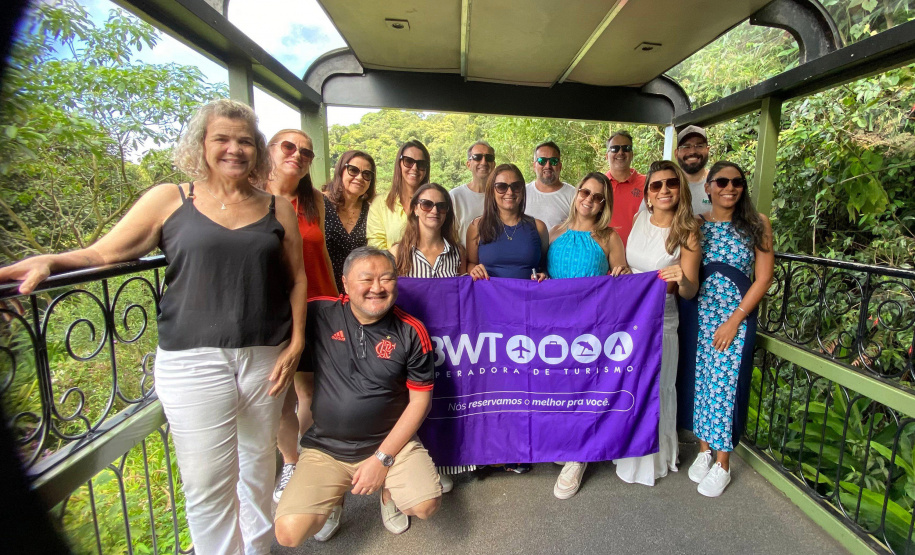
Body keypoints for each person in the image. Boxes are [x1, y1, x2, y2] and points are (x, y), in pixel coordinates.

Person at [0, 99, 307, 555]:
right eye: (221, 138)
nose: (234, 149)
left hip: (265, 356)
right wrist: (51, 260)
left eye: (244, 141)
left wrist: (297, 340)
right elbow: (103, 254)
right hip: (192, 360)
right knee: (207, 485)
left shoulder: (277, 208)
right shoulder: (171, 199)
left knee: (258, 468)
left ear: (256, 150)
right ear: (201, 144)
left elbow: (297, 277)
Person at [273, 247, 441, 546]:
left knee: (424, 505)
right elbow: (271, 308)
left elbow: (420, 403)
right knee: (288, 534)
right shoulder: (319, 313)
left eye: (387, 279)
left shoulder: (411, 331)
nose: (377, 288)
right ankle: (334, 497)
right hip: (326, 448)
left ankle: (388, 492)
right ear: (345, 284)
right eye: (367, 279)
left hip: (391, 446)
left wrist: (382, 459)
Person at [679, 161, 774, 498]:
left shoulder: (757, 224)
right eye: (721, 182)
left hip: (735, 317)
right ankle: (704, 451)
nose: (729, 188)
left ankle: (723, 464)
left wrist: (736, 320)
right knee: (702, 380)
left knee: (725, 386)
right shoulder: (697, 225)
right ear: (708, 187)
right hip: (701, 313)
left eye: (736, 182)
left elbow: (763, 277)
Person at [615, 160, 701, 487]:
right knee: (631, 383)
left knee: (656, 386)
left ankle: (653, 458)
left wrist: (683, 279)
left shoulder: (688, 230)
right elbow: (629, 265)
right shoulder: (639, 219)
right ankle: (626, 448)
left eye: (671, 183)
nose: (664, 190)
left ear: (680, 189)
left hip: (662, 316)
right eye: (656, 185)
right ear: (648, 194)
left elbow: (691, 291)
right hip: (629, 316)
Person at [263, 129, 338, 505]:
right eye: (289, 147)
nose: (298, 155)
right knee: (278, 393)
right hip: (271, 308)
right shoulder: (255, 196)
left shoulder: (315, 201)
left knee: (308, 390)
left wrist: (335, 294)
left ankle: (305, 460)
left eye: (306, 152)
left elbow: (321, 249)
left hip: (317, 299)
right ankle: (288, 460)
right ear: (271, 151)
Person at [546, 171, 629, 498]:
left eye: (597, 197)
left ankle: (579, 456)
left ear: (603, 204)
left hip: (591, 324)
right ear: (576, 194)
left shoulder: (609, 237)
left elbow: (624, 280)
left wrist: (622, 274)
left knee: (584, 387)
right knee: (558, 386)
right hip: (554, 322)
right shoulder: (555, 232)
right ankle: (566, 442)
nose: (589, 200)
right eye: (585, 192)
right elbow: (545, 275)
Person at [390, 183, 467, 491]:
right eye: (427, 204)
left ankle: (440, 462)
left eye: (441, 206)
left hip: (449, 345)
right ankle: (412, 468)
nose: (434, 211)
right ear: (415, 209)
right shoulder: (398, 253)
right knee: (410, 404)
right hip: (411, 346)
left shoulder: (457, 253)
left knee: (444, 401)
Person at [468, 163, 549, 284]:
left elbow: (544, 266)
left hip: (527, 299)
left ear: (522, 190)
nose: (510, 192)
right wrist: (473, 270)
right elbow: (470, 263)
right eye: (501, 186)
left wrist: (543, 275)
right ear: (492, 190)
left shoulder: (538, 227)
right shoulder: (477, 226)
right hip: (489, 298)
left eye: (516, 186)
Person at [323, 150, 377, 293]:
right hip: (323, 287)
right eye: (353, 170)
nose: (359, 178)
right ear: (341, 170)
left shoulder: (371, 212)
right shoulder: (320, 204)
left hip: (357, 292)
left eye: (366, 174)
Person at [367, 140, 430, 250]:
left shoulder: (433, 203)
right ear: (399, 163)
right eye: (408, 161)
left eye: (421, 164)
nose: (414, 168)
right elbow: (376, 248)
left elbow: (443, 241)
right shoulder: (380, 203)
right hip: (390, 266)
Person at [605, 130, 647, 246]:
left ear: (632, 154)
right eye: (614, 149)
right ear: (606, 155)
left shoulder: (649, 183)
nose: (620, 152)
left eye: (626, 148)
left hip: (638, 253)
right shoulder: (598, 184)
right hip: (604, 253)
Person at [450, 141, 495, 246]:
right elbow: (449, 237)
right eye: (477, 157)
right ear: (468, 164)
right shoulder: (455, 196)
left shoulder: (502, 196)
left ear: (493, 165)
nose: (483, 162)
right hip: (464, 260)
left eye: (488, 158)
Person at [524, 141, 576, 230]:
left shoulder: (573, 195)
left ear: (560, 166)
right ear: (534, 166)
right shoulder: (522, 193)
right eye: (542, 161)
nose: (548, 166)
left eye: (553, 161)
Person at [675, 125, 712, 216]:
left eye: (699, 146)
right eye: (686, 146)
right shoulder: (665, 185)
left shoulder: (721, 184)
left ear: (707, 150)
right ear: (676, 153)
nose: (692, 152)